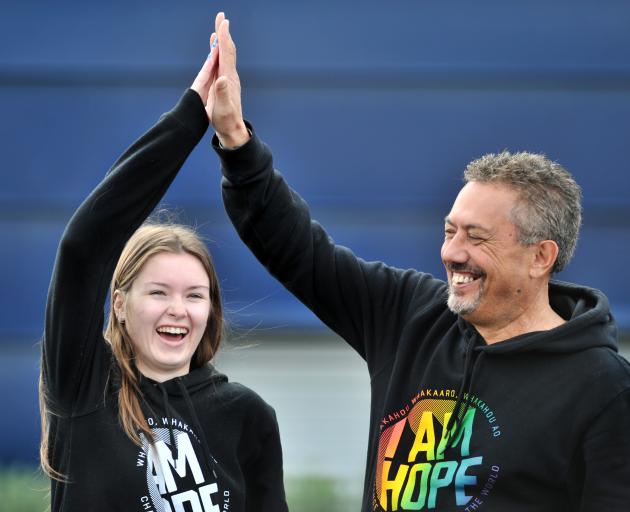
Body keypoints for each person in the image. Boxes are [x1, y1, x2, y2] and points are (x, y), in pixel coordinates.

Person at [206, 12, 630, 512]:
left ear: (540, 256)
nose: (453, 252)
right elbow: (298, 251)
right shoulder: (409, 315)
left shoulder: (603, 388)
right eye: (450, 231)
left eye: (477, 238)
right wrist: (235, 139)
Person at [40, 14, 288, 512]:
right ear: (120, 304)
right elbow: (84, 246)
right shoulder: (85, 387)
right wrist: (193, 115)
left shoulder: (247, 416)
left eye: (195, 295)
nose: (179, 309)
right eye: (158, 292)